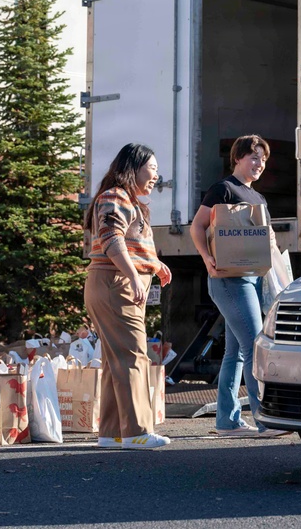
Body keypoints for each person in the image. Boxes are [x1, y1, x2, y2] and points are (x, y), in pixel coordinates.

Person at [190, 134, 289, 438]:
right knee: (255, 347)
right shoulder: (224, 189)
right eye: (254, 157)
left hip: (253, 279)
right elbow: (198, 225)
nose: (259, 163)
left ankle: (227, 420)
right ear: (238, 158)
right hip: (228, 280)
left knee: (237, 353)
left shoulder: (258, 198)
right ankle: (266, 421)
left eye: (263, 158)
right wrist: (207, 259)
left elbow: (266, 239)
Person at [84, 143, 173, 449]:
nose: (156, 177)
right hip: (115, 283)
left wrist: (154, 265)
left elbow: (128, 244)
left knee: (115, 359)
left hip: (111, 282)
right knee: (134, 355)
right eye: (153, 168)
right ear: (133, 168)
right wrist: (134, 275)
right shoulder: (115, 196)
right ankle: (137, 431)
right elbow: (111, 238)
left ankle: (112, 433)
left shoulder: (123, 199)